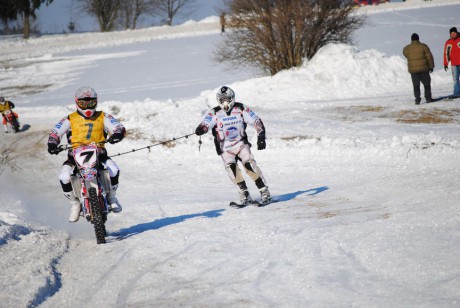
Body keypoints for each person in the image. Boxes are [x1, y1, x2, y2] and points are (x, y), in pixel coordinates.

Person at [47, 86, 126, 222]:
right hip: (74, 156)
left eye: (91, 102)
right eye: (84, 103)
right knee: (64, 176)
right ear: (77, 102)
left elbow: (118, 127)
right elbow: (56, 132)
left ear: (96, 101)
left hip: (99, 154)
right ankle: (75, 204)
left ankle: (112, 197)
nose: (88, 106)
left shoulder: (103, 116)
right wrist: (52, 143)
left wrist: (117, 134)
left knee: (114, 169)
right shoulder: (69, 119)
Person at [195, 86, 271, 205]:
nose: (225, 102)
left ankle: (264, 191)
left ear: (232, 98)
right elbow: (206, 123)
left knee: (249, 164)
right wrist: (201, 129)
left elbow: (256, 121)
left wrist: (261, 137)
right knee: (232, 169)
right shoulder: (214, 112)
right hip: (225, 148)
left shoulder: (241, 108)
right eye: (222, 99)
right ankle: (244, 194)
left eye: (228, 99)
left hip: (241, 144)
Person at [403, 33, 434, 105]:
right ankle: (428, 98)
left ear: (411, 39)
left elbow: (405, 53)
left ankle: (417, 99)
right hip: (424, 69)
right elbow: (429, 57)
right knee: (426, 84)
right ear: (418, 39)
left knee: (416, 85)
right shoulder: (424, 46)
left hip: (413, 70)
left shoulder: (407, 48)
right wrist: (431, 66)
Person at [443, 27, 460, 97]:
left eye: (454, 33)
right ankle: (456, 94)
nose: (453, 34)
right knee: (455, 80)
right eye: (451, 33)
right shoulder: (448, 42)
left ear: (456, 33)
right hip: (454, 64)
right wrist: (445, 64)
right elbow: (446, 54)